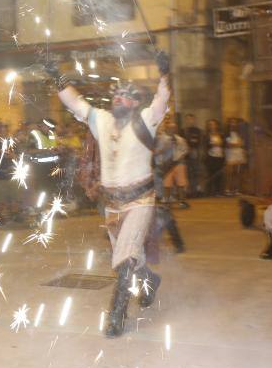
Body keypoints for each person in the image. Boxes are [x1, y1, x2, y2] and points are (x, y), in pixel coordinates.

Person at [45, 50, 171, 337]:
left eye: (126, 95)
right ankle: (150, 280)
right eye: (116, 94)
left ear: (136, 102)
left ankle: (117, 316)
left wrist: (165, 74)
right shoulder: (100, 120)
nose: (118, 98)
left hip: (140, 201)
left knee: (124, 260)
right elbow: (76, 103)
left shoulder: (147, 119)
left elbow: (162, 101)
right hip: (111, 205)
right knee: (128, 255)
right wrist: (57, 76)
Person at [156, 119, 189, 207]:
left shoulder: (180, 139)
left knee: (181, 183)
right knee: (167, 184)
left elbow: (185, 150)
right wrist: (160, 162)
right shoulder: (161, 139)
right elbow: (157, 152)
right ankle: (166, 201)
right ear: (166, 129)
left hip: (179, 164)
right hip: (167, 164)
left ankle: (182, 201)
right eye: (170, 128)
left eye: (174, 128)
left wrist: (181, 157)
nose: (172, 130)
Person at [224, 117, 247, 195]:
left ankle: (236, 189)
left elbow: (242, 143)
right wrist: (237, 145)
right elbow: (229, 145)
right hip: (230, 154)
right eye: (231, 122)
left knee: (237, 172)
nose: (233, 124)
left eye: (234, 122)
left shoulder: (239, 133)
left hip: (238, 154)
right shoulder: (227, 133)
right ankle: (228, 189)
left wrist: (236, 145)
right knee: (230, 172)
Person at [182, 114, 203, 196]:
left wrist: (196, 151)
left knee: (196, 172)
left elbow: (200, 142)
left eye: (191, 119)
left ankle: (196, 190)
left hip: (195, 153)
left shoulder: (198, 131)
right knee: (187, 173)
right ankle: (188, 191)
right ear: (186, 121)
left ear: (194, 120)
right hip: (185, 155)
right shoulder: (183, 131)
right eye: (188, 119)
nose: (190, 121)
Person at [204, 119, 225, 196]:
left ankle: (218, 191)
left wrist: (220, 143)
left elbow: (224, 144)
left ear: (217, 125)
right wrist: (212, 144)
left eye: (213, 124)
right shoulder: (207, 135)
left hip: (220, 157)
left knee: (219, 175)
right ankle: (209, 192)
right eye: (210, 124)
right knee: (210, 175)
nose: (212, 126)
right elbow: (205, 145)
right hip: (211, 157)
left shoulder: (221, 134)